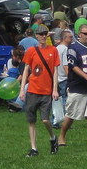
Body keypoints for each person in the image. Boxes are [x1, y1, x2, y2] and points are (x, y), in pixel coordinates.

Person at [21, 26, 61, 157]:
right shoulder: (31, 51)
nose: (43, 36)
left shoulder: (53, 50)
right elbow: (26, 69)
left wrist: (54, 89)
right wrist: (22, 90)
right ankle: (34, 148)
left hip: (46, 91)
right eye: (41, 34)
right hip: (32, 90)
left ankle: (53, 137)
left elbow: (55, 71)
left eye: (45, 34)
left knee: (45, 120)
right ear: (36, 36)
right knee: (31, 120)